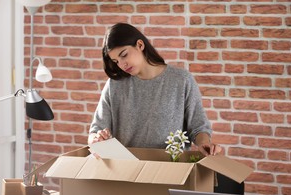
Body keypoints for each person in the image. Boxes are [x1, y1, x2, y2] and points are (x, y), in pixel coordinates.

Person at [88, 23, 222, 156]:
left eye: (124, 55)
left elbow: (198, 126)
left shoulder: (181, 80)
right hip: (126, 170)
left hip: (169, 170)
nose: (122, 64)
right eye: (116, 61)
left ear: (140, 45)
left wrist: (204, 143)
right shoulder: (114, 85)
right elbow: (96, 130)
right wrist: (97, 139)